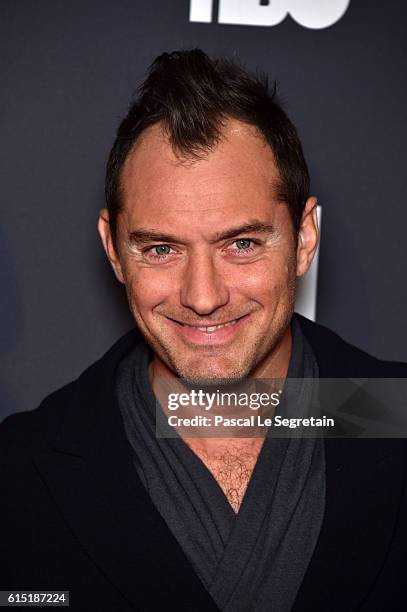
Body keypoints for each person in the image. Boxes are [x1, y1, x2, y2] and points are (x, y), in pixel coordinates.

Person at [1, 49, 406, 612]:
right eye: (160, 249)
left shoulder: (393, 413)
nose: (203, 296)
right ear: (114, 251)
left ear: (305, 239)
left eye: (241, 244)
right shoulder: (21, 470)